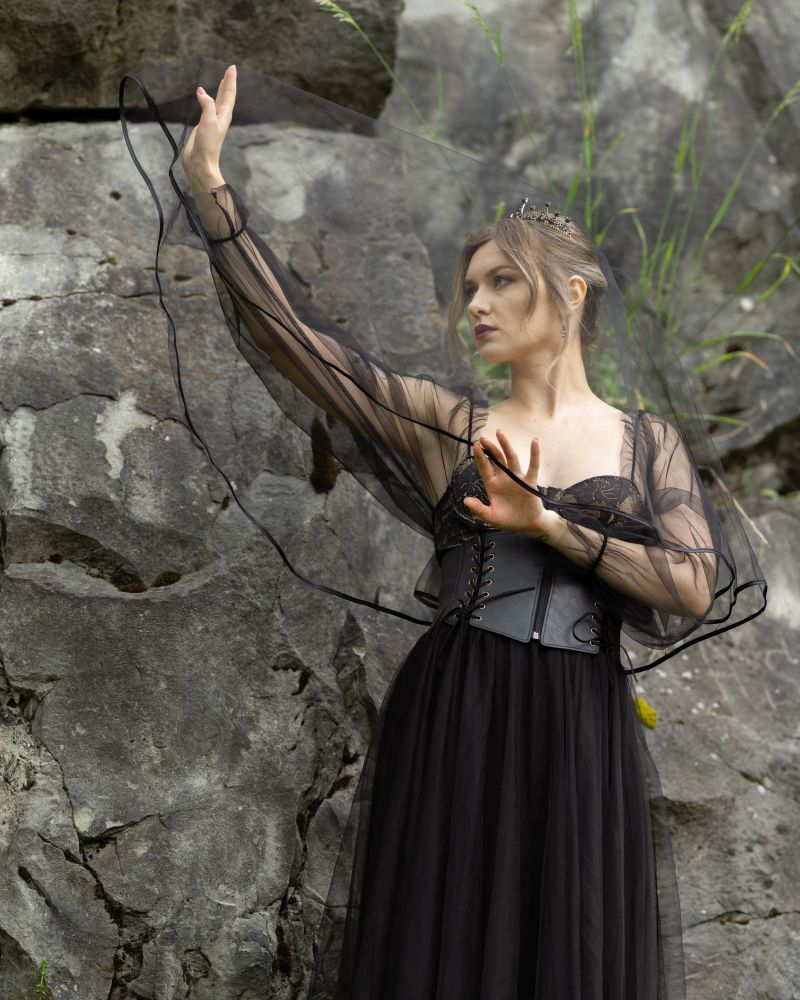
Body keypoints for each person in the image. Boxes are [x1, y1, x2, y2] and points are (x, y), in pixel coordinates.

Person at [121, 60, 766, 999]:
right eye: (471, 287)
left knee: (568, 953)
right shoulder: (448, 424)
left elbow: (691, 587)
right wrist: (210, 186)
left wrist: (547, 523)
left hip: (580, 729)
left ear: (572, 292)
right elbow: (294, 339)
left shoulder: (647, 442)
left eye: (503, 282)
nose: (477, 304)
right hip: (459, 707)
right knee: (442, 949)